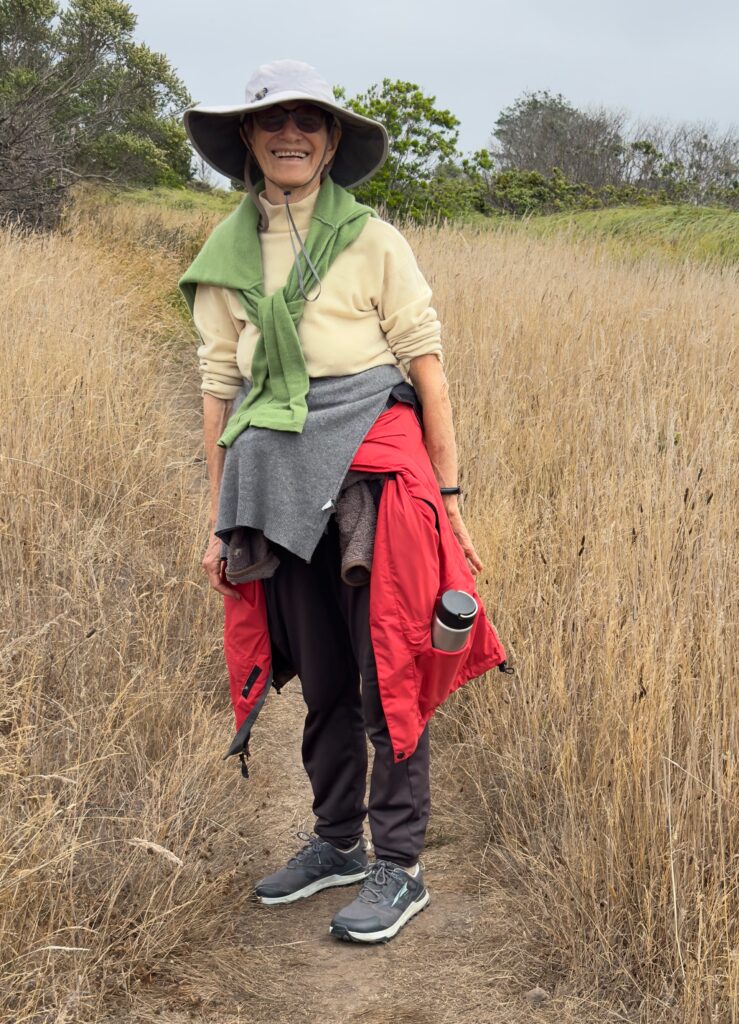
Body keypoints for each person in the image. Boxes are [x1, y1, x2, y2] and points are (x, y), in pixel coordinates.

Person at [179, 60, 506, 945]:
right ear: (247, 138)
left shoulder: (374, 241)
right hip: (274, 478)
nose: (292, 134)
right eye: (272, 121)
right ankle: (336, 842)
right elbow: (220, 383)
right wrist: (219, 517)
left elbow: (425, 368)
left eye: (309, 122)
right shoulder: (225, 253)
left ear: (330, 142)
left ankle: (398, 864)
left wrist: (450, 499)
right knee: (321, 675)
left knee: (387, 668)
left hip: (372, 467)